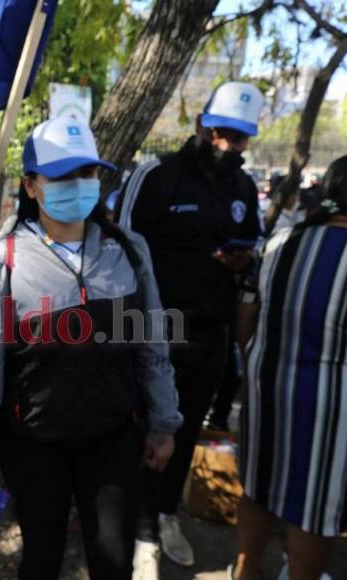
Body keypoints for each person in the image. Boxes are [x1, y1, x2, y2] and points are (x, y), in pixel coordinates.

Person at [0, 117, 182, 579]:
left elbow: (152, 345)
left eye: (87, 173)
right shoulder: (2, 265)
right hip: (35, 444)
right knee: (42, 556)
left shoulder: (129, 251)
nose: (77, 185)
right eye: (61, 176)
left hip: (113, 438)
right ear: (32, 187)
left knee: (113, 561)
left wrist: (163, 421)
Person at [116, 81, 264, 578]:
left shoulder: (244, 189)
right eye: (220, 133)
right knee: (144, 429)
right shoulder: (157, 175)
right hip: (154, 328)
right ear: (202, 124)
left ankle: (163, 514)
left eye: (238, 140)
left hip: (210, 331)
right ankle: (139, 532)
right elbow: (122, 248)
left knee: (183, 426)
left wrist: (241, 259)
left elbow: (253, 252)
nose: (226, 146)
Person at [230, 155, 347, 580]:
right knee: (314, 509)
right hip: (330, 403)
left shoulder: (280, 242)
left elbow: (245, 312)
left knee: (259, 487)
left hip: (267, 384)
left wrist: (254, 362)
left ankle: (245, 569)